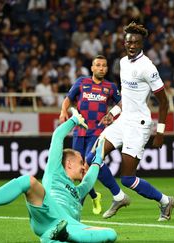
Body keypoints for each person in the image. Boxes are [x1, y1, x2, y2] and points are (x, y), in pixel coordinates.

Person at [0, 108, 117, 242]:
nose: (84, 167)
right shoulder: (54, 172)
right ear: (69, 163)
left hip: (68, 226)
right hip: (48, 211)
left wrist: (98, 157)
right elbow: (57, 136)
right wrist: (74, 120)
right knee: (27, 181)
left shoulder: (78, 191)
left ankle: (56, 237)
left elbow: (90, 178)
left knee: (111, 234)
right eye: (81, 162)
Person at [92, 22, 174, 221]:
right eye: (129, 42)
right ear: (124, 42)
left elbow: (164, 102)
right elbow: (126, 97)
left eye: (136, 42)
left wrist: (161, 132)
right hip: (122, 121)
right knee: (92, 158)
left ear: (142, 44)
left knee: (128, 178)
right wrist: (112, 113)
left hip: (138, 125)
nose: (132, 45)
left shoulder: (147, 67)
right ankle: (118, 196)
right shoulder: (122, 62)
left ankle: (165, 201)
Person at [59, 55, 125, 215]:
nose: (101, 68)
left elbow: (123, 103)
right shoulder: (82, 82)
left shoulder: (110, 86)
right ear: (92, 68)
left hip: (97, 132)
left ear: (107, 69)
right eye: (98, 65)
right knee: (77, 170)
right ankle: (95, 195)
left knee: (87, 165)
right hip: (79, 132)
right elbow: (68, 99)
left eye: (104, 65)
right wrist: (63, 111)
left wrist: (112, 115)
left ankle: (77, 205)